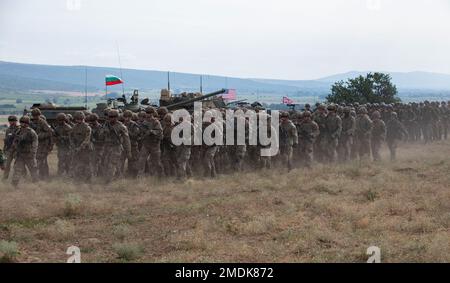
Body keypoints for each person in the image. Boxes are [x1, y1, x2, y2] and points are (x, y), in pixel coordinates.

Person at [102, 109, 131, 182]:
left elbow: (126, 140)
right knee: (107, 163)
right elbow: (101, 135)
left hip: (116, 147)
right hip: (107, 146)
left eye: (114, 117)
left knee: (112, 164)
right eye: (110, 117)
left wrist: (128, 151)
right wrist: (104, 132)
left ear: (117, 117)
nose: (112, 118)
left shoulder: (121, 127)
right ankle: (119, 178)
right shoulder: (106, 124)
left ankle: (108, 181)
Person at [11, 116, 38, 187]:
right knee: (17, 169)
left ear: (27, 123)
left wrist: (33, 153)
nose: (22, 124)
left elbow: (35, 143)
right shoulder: (18, 131)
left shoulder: (31, 132)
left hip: (29, 154)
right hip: (20, 154)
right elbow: (15, 141)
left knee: (33, 170)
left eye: (23, 122)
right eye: (21, 122)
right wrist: (15, 148)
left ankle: (36, 184)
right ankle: (14, 185)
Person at [30, 108, 54, 179]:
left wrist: (39, 136)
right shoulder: (32, 122)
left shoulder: (43, 122)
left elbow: (50, 132)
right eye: (34, 115)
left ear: (39, 115)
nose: (35, 117)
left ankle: (44, 176)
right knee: (39, 161)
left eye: (36, 115)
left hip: (43, 145)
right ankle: (42, 176)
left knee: (42, 161)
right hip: (36, 145)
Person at [69, 111, 92, 182]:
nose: (78, 121)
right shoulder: (74, 127)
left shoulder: (87, 128)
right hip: (76, 148)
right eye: (77, 119)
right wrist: (73, 145)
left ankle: (88, 179)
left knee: (86, 164)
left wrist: (80, 147)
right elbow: (71, 137)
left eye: (80, 119)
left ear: (83, 118)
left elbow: (87, 139)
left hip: (85, 149)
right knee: (76, 163)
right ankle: (77, 178)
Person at [3, 115, 19, 180]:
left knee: (18, 166)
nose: (11, 122)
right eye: (10, 121)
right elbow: (6, 140)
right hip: (9, 150)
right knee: (7, 165)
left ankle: (20, 178)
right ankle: (5, 179)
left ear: (16, 121)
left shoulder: (19, 129)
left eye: (13, 121)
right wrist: (4, 149)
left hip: (16, 150)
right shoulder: (8, 130)